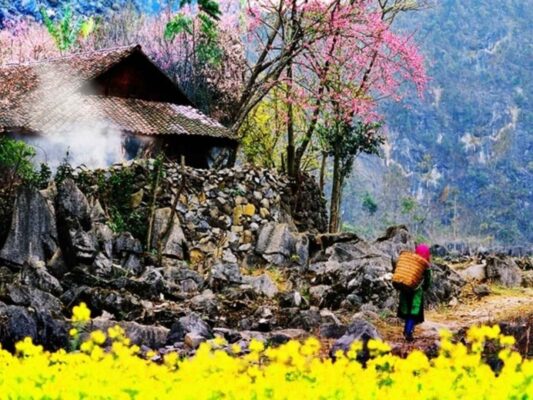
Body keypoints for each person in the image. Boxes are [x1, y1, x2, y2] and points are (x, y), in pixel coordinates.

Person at [397, 243, 432, 342]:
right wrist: (425, 288)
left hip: (404, 290)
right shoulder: (425, 265)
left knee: (407, 312)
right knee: (413, 313)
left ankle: (407, 330)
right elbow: (428, 280)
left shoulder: (410, 261)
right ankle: (408, 332)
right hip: (416, 293)